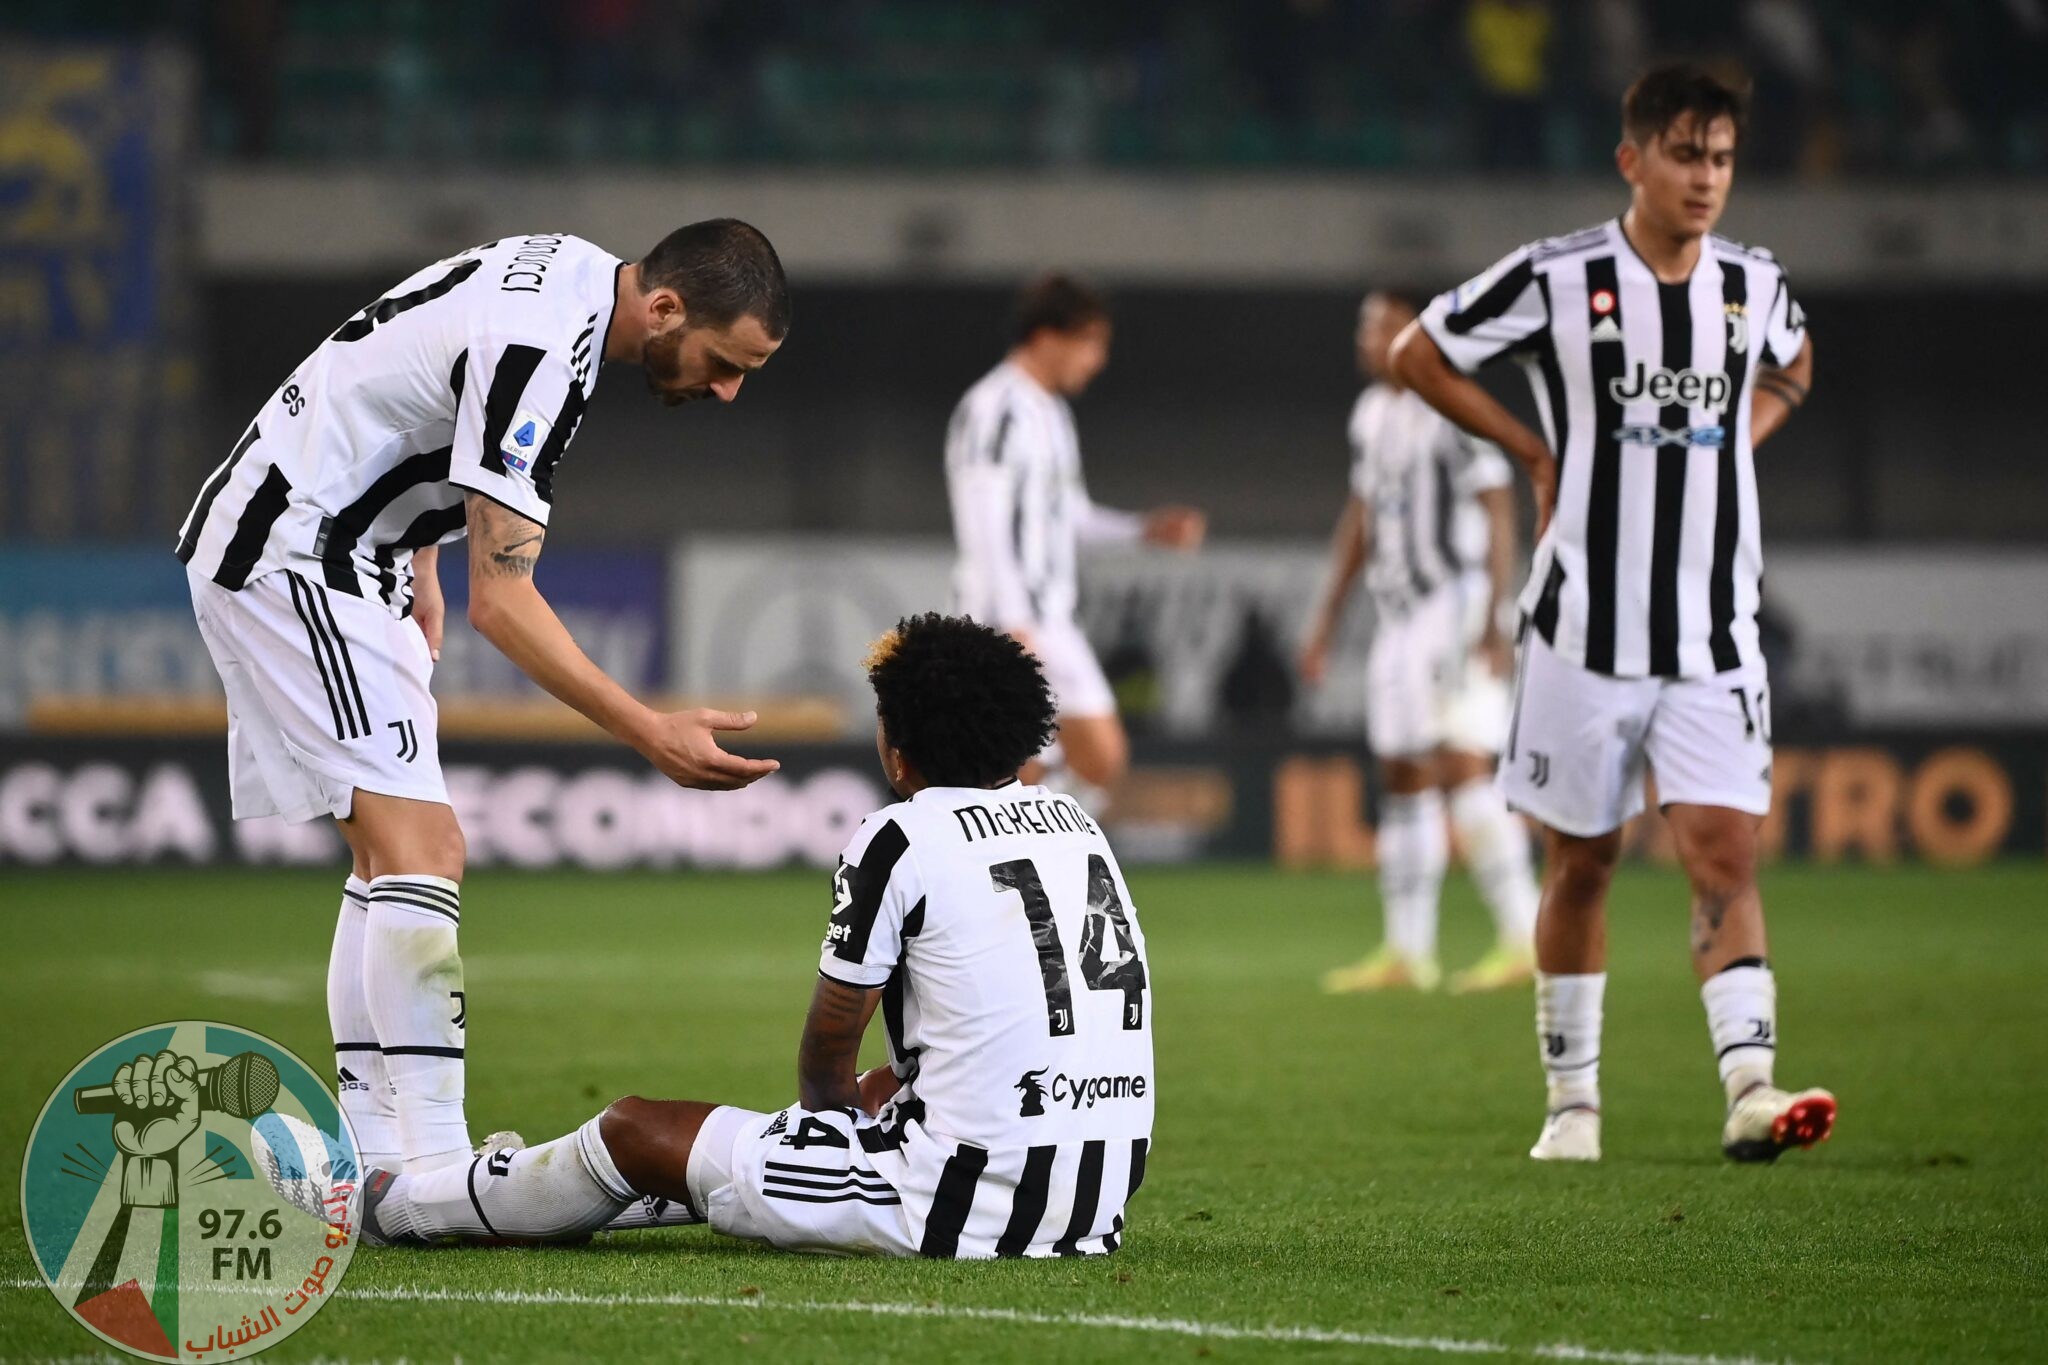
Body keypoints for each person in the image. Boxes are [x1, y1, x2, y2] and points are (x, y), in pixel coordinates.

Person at [175, 221, 791, 1179]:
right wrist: (650, 729)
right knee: (426, 850)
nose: (727, 390)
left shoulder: (565, 273)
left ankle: (381, 1151)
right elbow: (504, 605)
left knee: (390, 858)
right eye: (724, 361)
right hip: (297, 545)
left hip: (354, 547)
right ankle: (436, 1161)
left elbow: (409, 379)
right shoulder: (546, 349)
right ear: (665, 308)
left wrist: (420, 552)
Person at [359, 613, 1155, 1259]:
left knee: (637, 1128)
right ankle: (569, 1192)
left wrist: (824, 1128)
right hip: (1097, 1196)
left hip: (954, 1210)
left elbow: (827, 1050)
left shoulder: (901, 836)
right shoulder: (1079, 823)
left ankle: (398, 1205)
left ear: (899, 751)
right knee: (876, 1095)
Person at [1390, 65, 1834, 1162]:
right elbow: (1417, 354)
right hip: (1578, 633)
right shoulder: (1557, 276)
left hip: (1712, 636)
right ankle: (1572, 1108)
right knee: (1580, 862)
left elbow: (1793, 365)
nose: (1705, 180)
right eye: (1684, 156)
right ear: (1631, 160)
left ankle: (1749, 1090)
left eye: (1721, 158)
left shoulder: (1751, 284)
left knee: (1721, 856)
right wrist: (1530, 447)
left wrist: (1743, 436)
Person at [1301, 288, 1540, 996]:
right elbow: (1364, 517)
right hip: (1398, 618)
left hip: (1453, 602)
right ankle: (1409, 951)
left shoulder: (1450, 399)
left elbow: (1498, 502)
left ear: (1417, 330)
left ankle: (1524, 934)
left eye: (1384, 324)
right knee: (1402, 774)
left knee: (1461, 762)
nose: (1368, 337)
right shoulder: (1371, 414)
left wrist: (1497, 615)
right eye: (1364, 324)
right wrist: (1326, 620)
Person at [945, 273, 1206, 805]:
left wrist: (1144, 531)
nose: (1097, 360)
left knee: (1057, 763)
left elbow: (1070, 517)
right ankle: (1016, 864)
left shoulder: (1053, 414)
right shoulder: (995, 409)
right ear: (1047, 336)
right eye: (1090, 344)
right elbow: (984, 523)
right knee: (1056, 760)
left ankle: (1020, 864)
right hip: (1004, 616)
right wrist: (1014, 624)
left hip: (1048, 618)